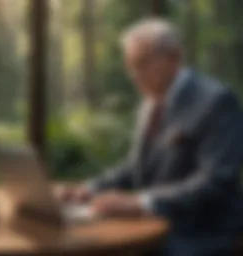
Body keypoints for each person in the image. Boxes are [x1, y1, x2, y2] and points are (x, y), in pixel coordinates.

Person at [57, 19, 243, 255]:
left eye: (142, 63)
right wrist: (89, 189)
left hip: (201, 231)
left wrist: (140, 202)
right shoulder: (150, 103)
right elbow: (135, 167)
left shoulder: (217, 102)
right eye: (130, 66)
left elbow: (215, 180)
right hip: (153, 225)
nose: (135, 75)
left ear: (174, 57)